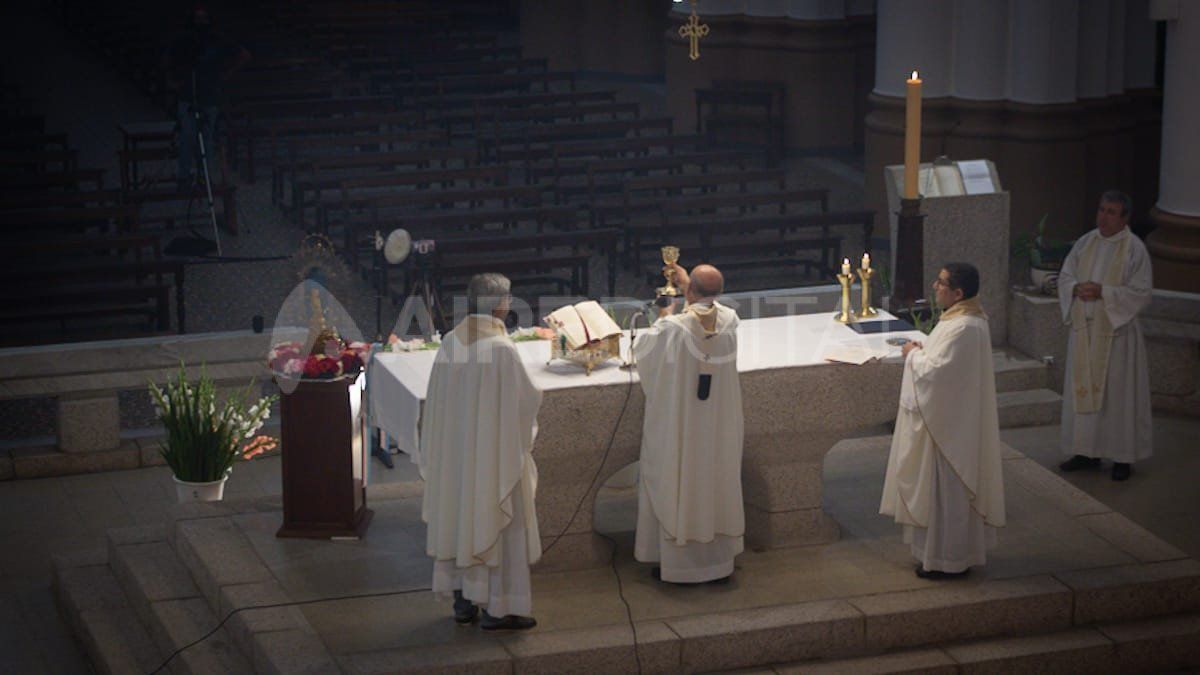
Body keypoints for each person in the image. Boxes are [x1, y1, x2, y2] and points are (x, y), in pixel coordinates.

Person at [419, 274, 542, 630]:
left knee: (462, 516)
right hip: (491, 459)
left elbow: (438, 406)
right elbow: (526, 401)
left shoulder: (451, 341)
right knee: (492, 520)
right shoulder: (501, 349)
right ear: (503, 304)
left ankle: (463, 600)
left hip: (457, 458)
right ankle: (497, 608)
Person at [880, 262, 1005, 579]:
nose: (935, 286)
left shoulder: (965, 326)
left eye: (941, 282)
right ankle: (937, 556)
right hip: (949, 420)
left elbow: (936, 372)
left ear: (958, 292)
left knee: (946, 493)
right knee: (942, 494)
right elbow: (945, 362)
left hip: (949, 429)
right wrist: (925, 350)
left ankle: (948, 560)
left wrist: (912, 354)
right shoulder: (961, 319)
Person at [633, 263, 744, 584]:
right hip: (716, 429)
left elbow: (645, 355)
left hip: (681, 429)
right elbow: (708, 311)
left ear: (689, 291)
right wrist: (688, 290)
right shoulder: (730, 321)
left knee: (677, 478)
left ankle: (680, 566)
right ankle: (717, 564)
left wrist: (667, 311)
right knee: (715, 483)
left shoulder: (672, 328)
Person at [1057, 190, 1153, 481]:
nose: (1104, 217)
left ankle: (1122, 458)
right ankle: (1086, 452)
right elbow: (1065, 276)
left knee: (1118, 398)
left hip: (1116, 335)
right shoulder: (1086, 243)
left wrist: (1103, 292)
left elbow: (1141, 292)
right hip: (1085, 332)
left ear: (1125, 218)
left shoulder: (1134, 249)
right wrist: (1075, 288)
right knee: (1083, 392)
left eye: (1111, 212)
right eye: (1101, 210)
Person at [162, 5, 250, 190]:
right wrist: (173, 81)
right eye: (197, 18)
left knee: (207, 139)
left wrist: (226, 74)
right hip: (188, 95)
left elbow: (243, 55)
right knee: (187, 136)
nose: (201, 22)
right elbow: (169, 59)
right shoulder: (183, 39)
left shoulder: (217, 40)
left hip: (209, 96)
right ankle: (184, 177)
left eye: (204, 18)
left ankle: (205, 176)